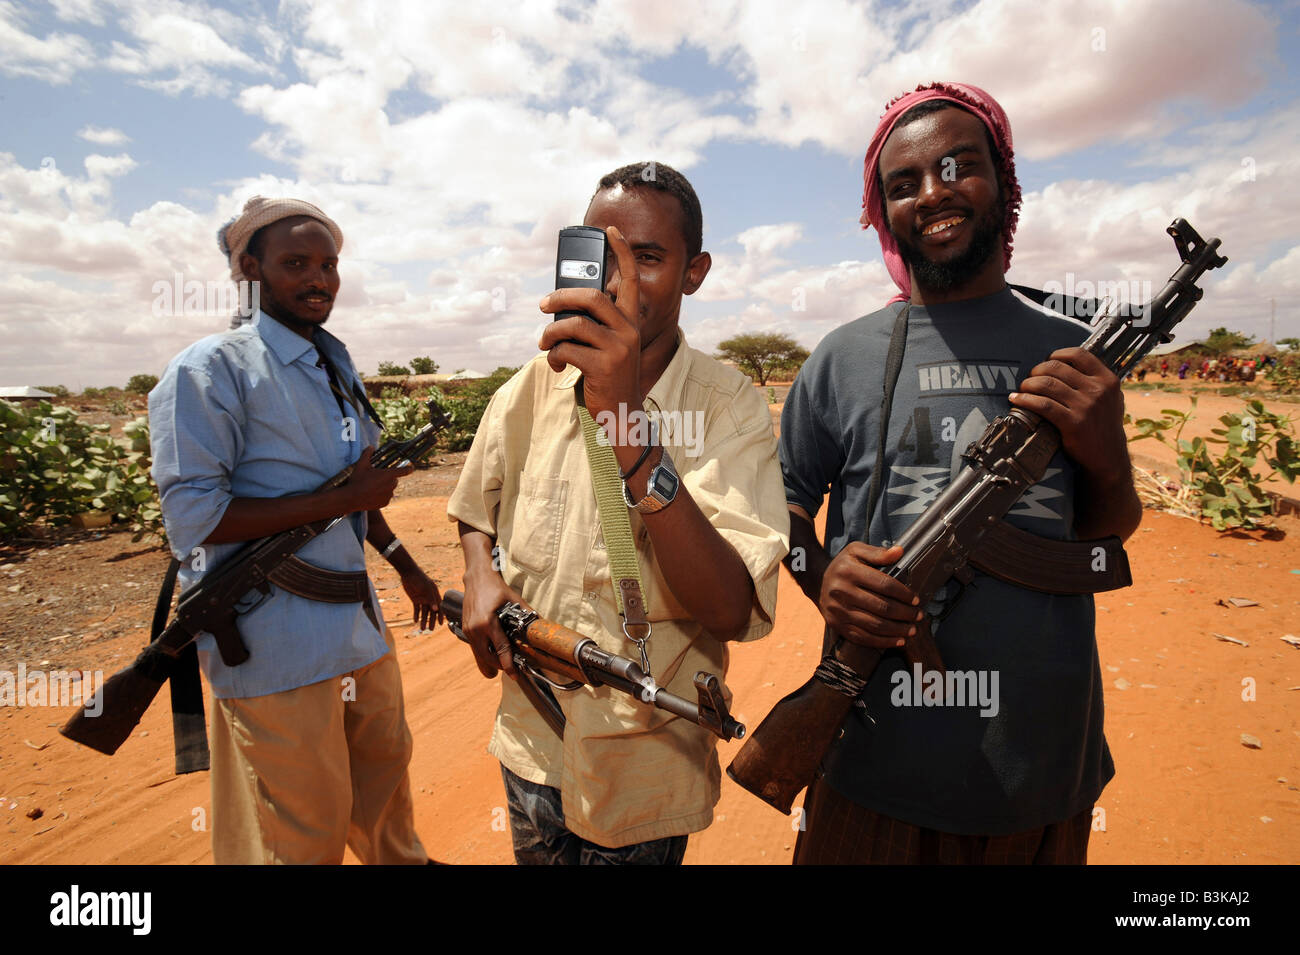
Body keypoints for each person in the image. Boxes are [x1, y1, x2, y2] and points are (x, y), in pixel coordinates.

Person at [779, 83, 1141, 864]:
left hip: (1038, 771)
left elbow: (1105, 538)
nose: (933, 193)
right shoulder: (844, 356)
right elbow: (781, 505)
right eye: (902, 184)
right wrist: (822, 572)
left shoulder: (1074, 352)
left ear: (1004, 183)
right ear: (883, 214)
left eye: (958, 167)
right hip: (869, 768)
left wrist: (1106, 450)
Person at [447, 162, 789, 864]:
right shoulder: (535, 383)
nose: (619, 280)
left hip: (645, 761)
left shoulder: (728, 408)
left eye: (650, 259)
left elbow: (729, 609)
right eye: (602, 256)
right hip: (532, 740)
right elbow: (475, 504)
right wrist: (480, 573)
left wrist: (630, 431)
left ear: (695, 273)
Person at [149, 196, 440, 864]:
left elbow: (355, 493)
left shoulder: (333, 363)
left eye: (329, 264)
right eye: (296, 263)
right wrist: (336, 500)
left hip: (356, 630)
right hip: (272, 643)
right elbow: (194, 521)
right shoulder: (207, 370)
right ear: (250, 267)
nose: (320, 279)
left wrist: (404, 564)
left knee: (386, 799)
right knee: (301, 831)